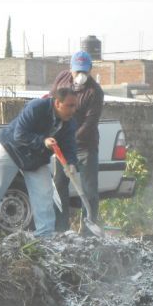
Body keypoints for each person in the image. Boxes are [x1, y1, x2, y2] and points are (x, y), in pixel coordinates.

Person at [0, 87, 79, 237]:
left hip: (36, 157)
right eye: (70, 106)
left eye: (75, 106)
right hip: (11, 149)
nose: (73, 110)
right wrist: (43, 141)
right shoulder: (36, 107)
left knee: (44, 193)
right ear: (58, 103)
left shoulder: (70, 123)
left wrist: (71, 163)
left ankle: (45, 236)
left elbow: (70, 146)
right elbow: (20, 134)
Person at [50, 50, 104, 232]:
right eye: (77, 71)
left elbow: (90, 123)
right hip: (62, 147)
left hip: (85, 147)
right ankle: (61, 229)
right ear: (70, 69)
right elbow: (53, 103)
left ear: (90, 70)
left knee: (89, 191)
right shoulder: (62, 79)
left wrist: (71, 141)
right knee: (59, 186)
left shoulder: (94, 92)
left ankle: (88, 231)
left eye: (85, 72)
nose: (80, 76)